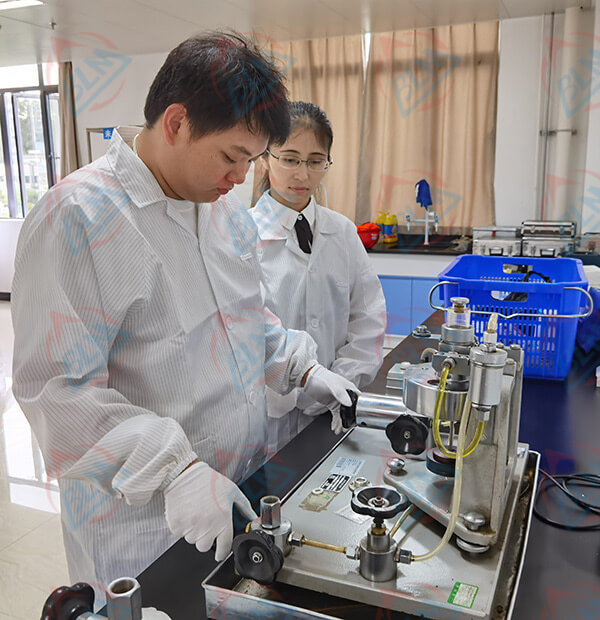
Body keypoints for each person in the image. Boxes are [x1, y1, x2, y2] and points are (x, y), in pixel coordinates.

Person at [11, 34, 357, 599]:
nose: (240, 177)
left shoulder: (221, 211)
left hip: (241, 490)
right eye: (231, 156)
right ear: (176, 123)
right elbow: (56, 393)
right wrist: (175, 470)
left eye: (251, 161)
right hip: (142, 525)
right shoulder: (77, 218)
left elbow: (247, 322)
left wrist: (301, 368)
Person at [251, 102, 386, 454]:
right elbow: (245, 330)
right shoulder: (243, 234)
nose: (303, 175)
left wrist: (339, 383)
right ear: (265, 158)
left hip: (332, 412)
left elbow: (367, 317)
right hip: (264, 417)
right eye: (290, 159)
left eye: (315, 161)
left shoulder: (342, 232)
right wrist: (301, 382)